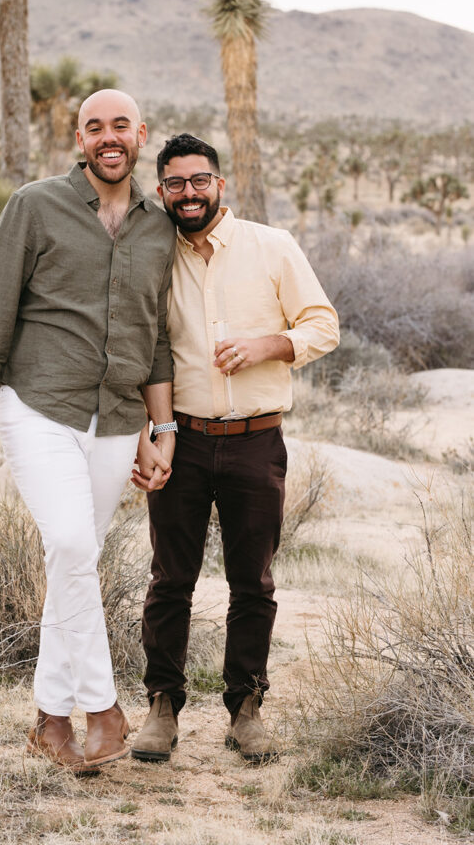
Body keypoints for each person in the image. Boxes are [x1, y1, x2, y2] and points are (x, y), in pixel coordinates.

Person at [0, 90, 177, 773]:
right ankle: (107, 711)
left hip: (116, 419)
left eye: (119, 126)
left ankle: (51, 721)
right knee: (72, 543)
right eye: (93, 128)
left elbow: (155, 337)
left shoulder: (158, 227)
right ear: (78, 138)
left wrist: (158, 428)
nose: (107, 137)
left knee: (72, 565)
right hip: (39, 406)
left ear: (138, 135)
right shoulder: (34, 204)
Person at [131, 133, 340, 763]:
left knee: (254, 583)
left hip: (255, 440)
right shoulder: (152, 254)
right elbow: (141, 351)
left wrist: (267, 344)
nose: (188, 194)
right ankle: (162, 709)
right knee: (171, 581)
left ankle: (246, 710)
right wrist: (150, 432)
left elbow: (321, 324)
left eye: (199, 182)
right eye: (174, 184)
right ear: (161, 189)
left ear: (220, 184)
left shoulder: (270, 247)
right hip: (181, 440)